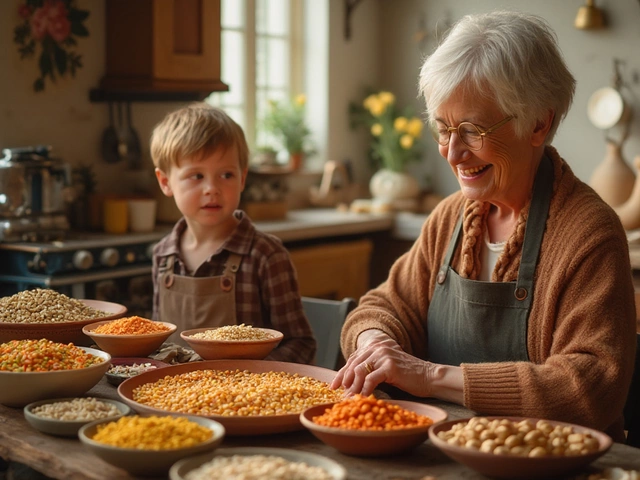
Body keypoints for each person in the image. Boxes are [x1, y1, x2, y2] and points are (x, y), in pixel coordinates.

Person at [332, 10, 637, 442]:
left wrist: (431, 376)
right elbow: (380, 309)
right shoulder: (449, 218)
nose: (453, 153)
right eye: (443, 128)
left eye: (472, 130)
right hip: (442, 455)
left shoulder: (589, 234)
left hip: (548, 465)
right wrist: (374, 345)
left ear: (538, 123)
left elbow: (588, 387)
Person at [150, 103, 316, 364]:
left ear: (242, 178)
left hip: (243, 400)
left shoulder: (265, 255)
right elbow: (159, 341)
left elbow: (301, 345)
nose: (212, 188)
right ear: (165, 182)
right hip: (173, 397)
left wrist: (252, 377)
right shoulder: (163, 256)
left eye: (226, 174)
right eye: (196, 176)